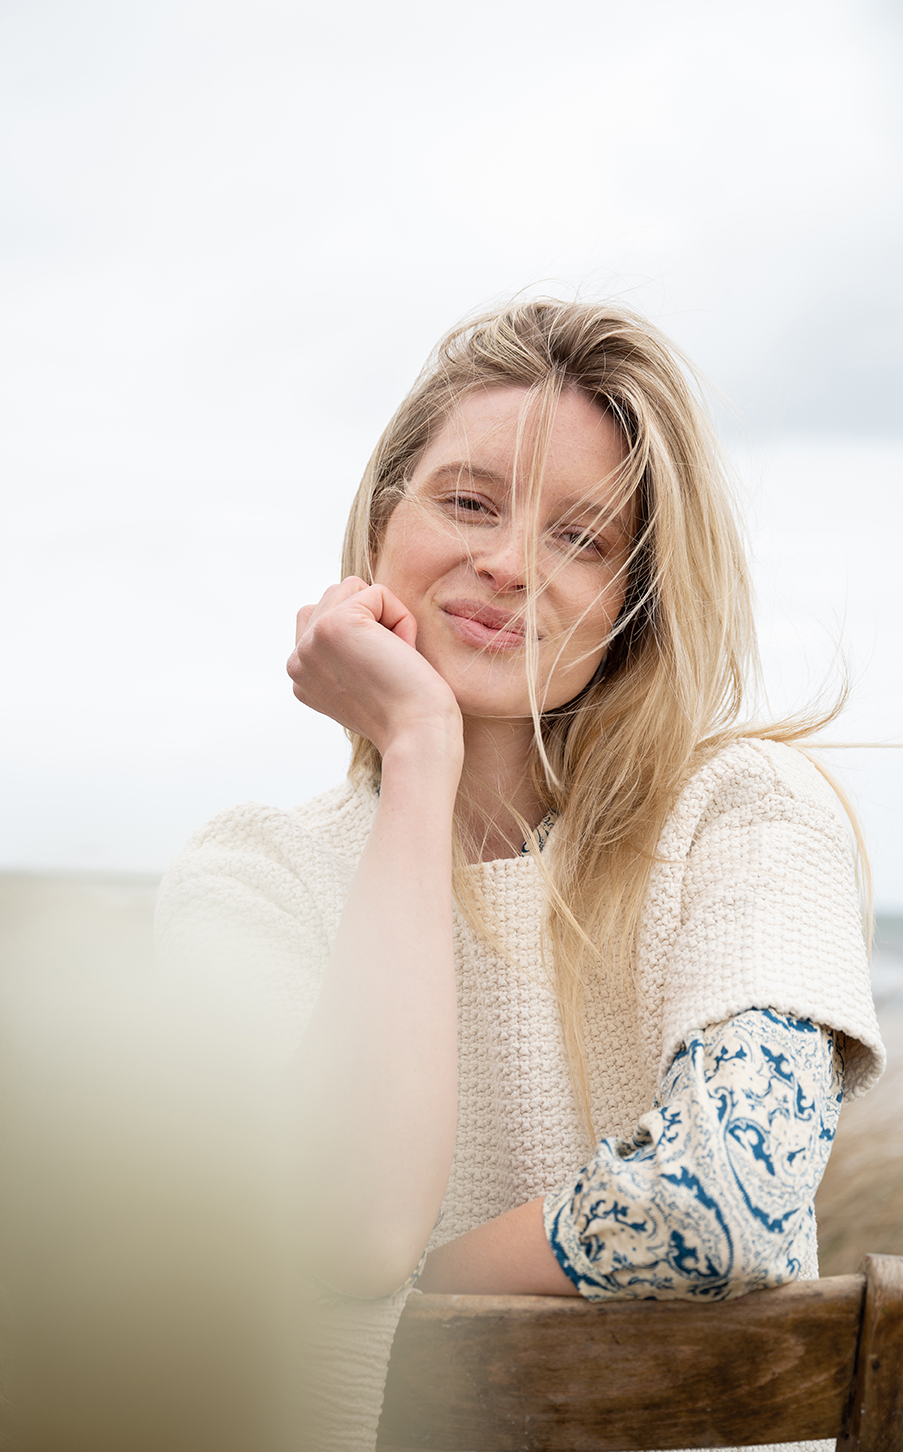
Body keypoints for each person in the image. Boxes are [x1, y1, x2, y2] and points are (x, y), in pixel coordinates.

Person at [156, 299, 884, 1452]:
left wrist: (401, 1302)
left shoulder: (742, 817)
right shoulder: (252, 876)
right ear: (382, 518)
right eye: (468, 502)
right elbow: (348, 1224)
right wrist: (420, 757)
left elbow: (727, 1203)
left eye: (581, 539)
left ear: (636, 599)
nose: (504, 563)